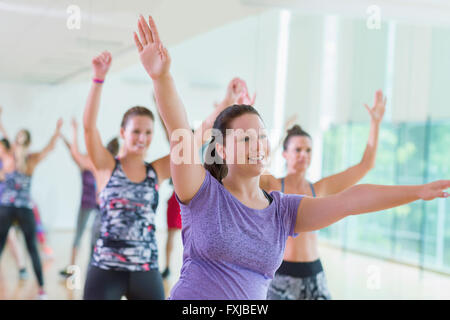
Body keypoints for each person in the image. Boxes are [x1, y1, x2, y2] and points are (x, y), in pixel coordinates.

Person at [134, 14, 449, 300]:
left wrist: (416, 192)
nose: (257, 144)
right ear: (221, 148)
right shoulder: (202, 192)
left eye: (261, 136)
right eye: (245, 138)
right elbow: (179, 129)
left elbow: (351, 200)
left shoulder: (283, 210)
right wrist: (162, 78)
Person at [262, 90, 385, 300]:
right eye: (297, 149)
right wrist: (283, 134)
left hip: (314, 275)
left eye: (308, 150)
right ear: (285, 154)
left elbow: (366, 165)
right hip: (281, 275)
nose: (304, 155)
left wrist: (375, 124)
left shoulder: (319, 189)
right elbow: (256, 165)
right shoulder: (272, 184)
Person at [0, 118, 62, 300]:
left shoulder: (31, 158)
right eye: (17, 137)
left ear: (27, 141)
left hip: (24, 207)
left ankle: (41, 289)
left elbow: (48, 149)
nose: (19, 140)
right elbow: (4, 135)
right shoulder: (8, 157)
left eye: (22, 138)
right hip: (6, 207)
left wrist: (57, 132)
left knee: (32, 247)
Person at [59, 118, 119, 278]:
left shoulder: (106, 163)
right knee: (79, 236)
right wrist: (71, 133)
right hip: (87, 203)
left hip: (100, 205)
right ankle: (72, 269)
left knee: (96, 240)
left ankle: (94, 272)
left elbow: (74, 153)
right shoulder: (88, 161)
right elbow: (74, 153)